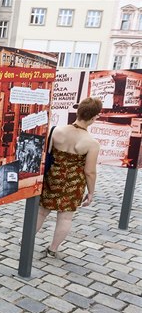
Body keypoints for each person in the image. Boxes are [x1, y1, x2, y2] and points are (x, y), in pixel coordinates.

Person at [36, 97, 102, 258]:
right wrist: (91, 192)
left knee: (41, 212)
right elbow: (89, 172)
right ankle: (53, 249)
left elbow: (47, 155)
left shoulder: (56, 131)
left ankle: (26, 239)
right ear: (93, 118)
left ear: (78, 112)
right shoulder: (91, 143)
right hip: (73, 183)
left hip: (53, 177)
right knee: (65, 218)